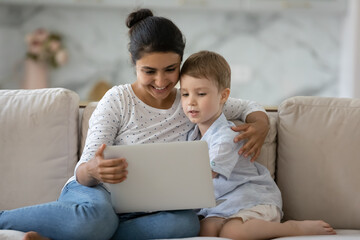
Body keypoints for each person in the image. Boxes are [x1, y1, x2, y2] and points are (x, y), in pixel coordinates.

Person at [0, 9, 270, 240]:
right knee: (96, 218)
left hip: (149, 207)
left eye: (170, 69)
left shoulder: (190, 100)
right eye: (149, 71)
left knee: (186, 223)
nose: (162, 81)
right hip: (95, 194)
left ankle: (71, 235)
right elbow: (83, 173)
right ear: (133, 63)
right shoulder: (118, 100)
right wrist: (94, 169)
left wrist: (260, 124)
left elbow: (247, 107)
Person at [179, 50, 337, 239]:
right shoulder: (192, 136)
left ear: (223, 96)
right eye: (185, 94)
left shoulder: (227, 136)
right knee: (205, 230)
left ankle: (293, 228)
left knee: (233, 232)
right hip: (223, 205)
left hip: (253, 200)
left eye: (201, 94)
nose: (191, 102)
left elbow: (205, 175)